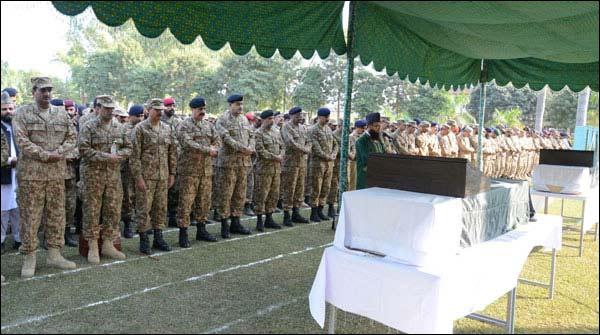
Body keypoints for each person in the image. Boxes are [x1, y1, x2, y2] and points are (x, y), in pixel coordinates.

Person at [13, 77, 77, 278]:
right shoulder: (22, 113)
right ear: (34, 91)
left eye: (49, 90)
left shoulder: (60, 113)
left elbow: (72, 136)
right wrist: (45, 154)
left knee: (57, 214)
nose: (47, 94)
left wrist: (59, 151)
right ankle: (29, 256)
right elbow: (21, 140)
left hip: (57, 174)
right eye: (43, 90)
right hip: (32, 176)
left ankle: (54, 254)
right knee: (30, 217)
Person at [78, 96, 132, 263]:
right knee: (92, 210)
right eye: (106, 108)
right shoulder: (88, 126)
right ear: (98, 108)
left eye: (111, 108)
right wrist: (106, 156)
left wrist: (119, 156)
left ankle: (108, 243)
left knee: (113, 210)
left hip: (113, 176)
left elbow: (129, 147)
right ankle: (93, 245)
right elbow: (83, 149)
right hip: (93, 176)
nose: (109, 111)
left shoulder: (120, 127)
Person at [130, 98, 177, 254]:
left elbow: (172, 153)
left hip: (163, 176)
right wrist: (138, 177)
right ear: (148, 110)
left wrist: (172, 173)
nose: (159, 112)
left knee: (160, 208)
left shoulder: (167, 128)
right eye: (156, 109)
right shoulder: (140, 129)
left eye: (161, 109)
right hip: (147, 176)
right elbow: (134, 156)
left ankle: (158, 237)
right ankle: (144, 240)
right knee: (144, 208)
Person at [175, 97, 219, 247]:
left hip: (206, 171)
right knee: (186, 203)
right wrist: (208, 149)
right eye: (200, 109)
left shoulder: (208, 126)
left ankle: (201, 230)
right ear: (192, 110)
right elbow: (187, 143)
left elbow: (217, 140)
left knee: (204, 201)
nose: (203, 112)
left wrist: (213, 147)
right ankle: (183, 233)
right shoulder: (184, 125)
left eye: (204, 109)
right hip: (189, 171)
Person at [215, 94, 254, 238]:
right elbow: (225, 138)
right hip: (228, 164)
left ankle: (236, 222)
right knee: (226, 194)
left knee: (240, 193)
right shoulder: (222, 120)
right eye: (237, 104)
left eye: (241, 104)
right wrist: (243, 148)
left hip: (243, 163)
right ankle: (225, 224)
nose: (240, 107)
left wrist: (250, 146)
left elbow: (252, 135)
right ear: (230, 105)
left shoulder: (244, 119)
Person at [253, 110, 284, 231]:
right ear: (263, 120)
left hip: (276, 169)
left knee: (273, 194)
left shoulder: (276, 132)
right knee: (262, 194)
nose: (272, 121)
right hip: (264, 169)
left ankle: (269, 218)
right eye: (269, 119)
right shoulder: (258, 133)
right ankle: (259, 219)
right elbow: (260, 150)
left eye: (272, 118)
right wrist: (275, 157)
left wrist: (281, 155)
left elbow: (282, 146)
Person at [280, 107, 311, 226]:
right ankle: (287, 215)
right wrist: (305, 150)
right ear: (291, 116)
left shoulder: (303, 128)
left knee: (299, 188)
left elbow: (309, 141)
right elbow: (290, 142)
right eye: (298, 116)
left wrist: (307, 149)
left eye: (301, 115)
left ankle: (296, 213)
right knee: (289, 188)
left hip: (302, 162)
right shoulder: (286, 127)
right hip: (290, 163)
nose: (300, 118)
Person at [308, 108, 338, 222]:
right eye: (325, 117)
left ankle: (321, 209)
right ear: (319, 117)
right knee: (316, 187)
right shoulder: (313, 130)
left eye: (328, 117)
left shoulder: (328, 129)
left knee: (326, 187)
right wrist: (327, 156)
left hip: (329, 164)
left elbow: (335, 144)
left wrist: (334, 154)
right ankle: (314, 212)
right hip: (318, 163)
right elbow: (315, 147)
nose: (327, 119)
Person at [1, 91, 20, 252]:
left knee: (17, 208)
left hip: (19, 173)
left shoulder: (17, 126)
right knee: (3, 210)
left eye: (10, 108)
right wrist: (9, 160)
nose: (8, 111)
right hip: (4, 173)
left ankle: (19, 239)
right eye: (4, 109)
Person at [355, 112, 386, 190]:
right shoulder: (361, 141)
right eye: (376, 126)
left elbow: (383, 153)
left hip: (378, 176)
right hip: (366, 177)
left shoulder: (378, 139)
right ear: (369, 126)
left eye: (379, 126)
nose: (378, 128)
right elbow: (366, 158)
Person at [347, 119, 366, 191]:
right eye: (362, 128)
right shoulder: (351, 136)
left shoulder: (362, 136)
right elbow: (347, 149)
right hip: (354, 162)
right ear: (357, 127)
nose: (363, 130)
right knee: (353, 181)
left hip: (361, 161)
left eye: (364, 128)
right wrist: (352, 156)